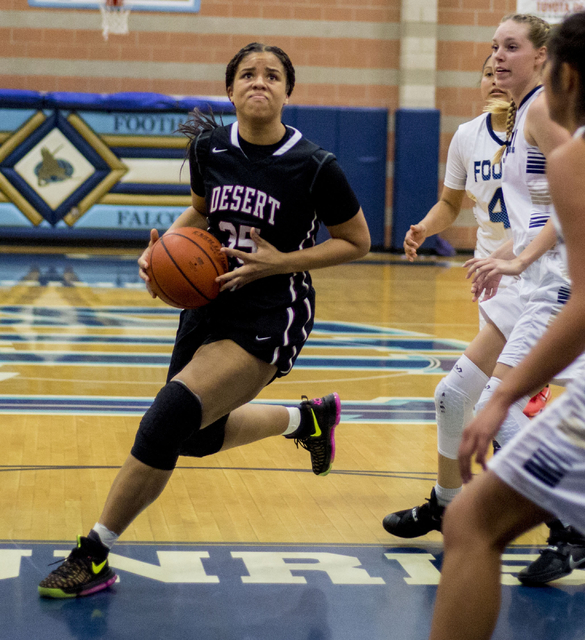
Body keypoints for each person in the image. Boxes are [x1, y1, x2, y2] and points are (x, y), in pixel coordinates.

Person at [37, 42, 371, 599]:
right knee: (195, 438)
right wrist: (164, 246)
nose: (258, 81)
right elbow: (200, 209)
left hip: (270, 309)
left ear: (288, 90)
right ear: (230, 89)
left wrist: (282, 261)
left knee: (167, 418)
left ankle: (93, 553)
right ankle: (306, 421)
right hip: (209, 299)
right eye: (247, 74)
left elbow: (356, 241)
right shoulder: (211, 148)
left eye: (271, 75)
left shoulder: (315, 167)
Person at [384, 12, 585, 584]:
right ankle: (460, 504)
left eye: (511, 47)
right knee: (463, 396)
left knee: (502, 405)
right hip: (530, 277)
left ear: (544, 59)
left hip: (551, 279)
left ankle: (570, 523)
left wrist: (518, 258)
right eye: (493, 47)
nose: (496, 57)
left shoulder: (544, 115)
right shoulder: (510, 121)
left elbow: (559, 206)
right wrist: (510, 259)